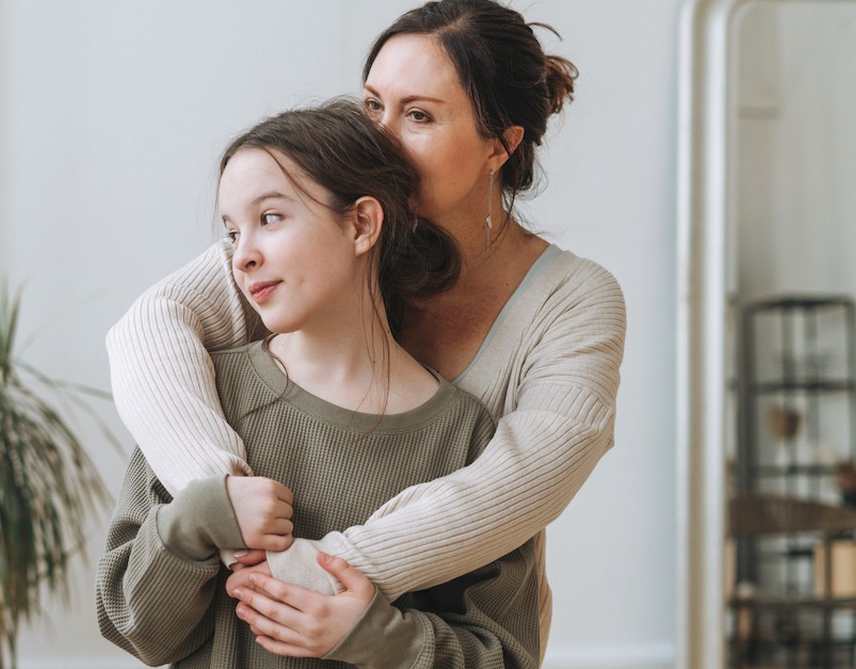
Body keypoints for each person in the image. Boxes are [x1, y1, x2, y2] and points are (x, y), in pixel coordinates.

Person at [104, 0, 626, 657]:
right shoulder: (318, 245)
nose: (381, 136)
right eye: (373, 104)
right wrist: (220, 495)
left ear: (501, 143)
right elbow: (149, 328)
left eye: (419, 115)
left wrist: (326, 579)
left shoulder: (571, 304)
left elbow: (517, 488)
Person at [96, 99, 540, 669]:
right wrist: (194, 518)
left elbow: (505, 655)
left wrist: (382, 637)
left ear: (360, 224)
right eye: (233, 232)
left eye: (271, 218)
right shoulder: (203, 401)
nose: (243, 256)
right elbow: (135, 630)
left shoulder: (464, 437)